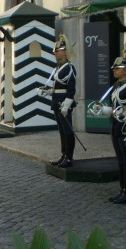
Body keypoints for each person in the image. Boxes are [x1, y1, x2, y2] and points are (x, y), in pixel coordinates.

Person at [102, 50, 126, 204]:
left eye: (117, 68)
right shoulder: (117, 85)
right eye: (114, 68)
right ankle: (122, 189)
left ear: (125, 70)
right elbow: (115, 107)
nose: (114, 70)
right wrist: (108, 111)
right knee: (121, 161)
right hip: (116, 127)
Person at [46, 35, 77, 168]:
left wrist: (67, 104)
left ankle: (69, 157)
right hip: (57, 101)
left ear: (64, 52)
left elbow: (71, 89)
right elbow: (57, 86)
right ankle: (63, 155)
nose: (54, 53)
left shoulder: (69, 68)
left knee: (67, 130)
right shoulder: (59, 67)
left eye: (57, 50)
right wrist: (48, 91)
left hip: (64, 103)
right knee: (61, 131)